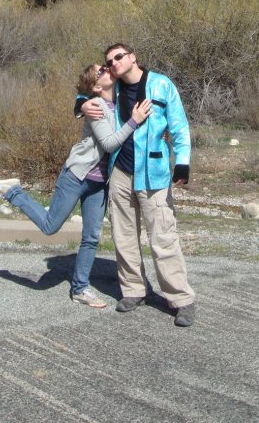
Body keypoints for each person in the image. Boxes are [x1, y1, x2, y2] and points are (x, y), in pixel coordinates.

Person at [0, 63, 151, 309]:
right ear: (96, 86)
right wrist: (134, 121)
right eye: (102, 70)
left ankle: (80, 289)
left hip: (99, 184)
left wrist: (81, 102)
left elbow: (135, 75)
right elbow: (108, 144)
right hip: (76, 176)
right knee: (50, 226)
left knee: (91, 237)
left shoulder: (116, 100)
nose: (108, 69)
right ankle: (12, 192)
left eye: (107, 66)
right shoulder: (96, 106)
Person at [80, 43, 196, 327]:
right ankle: (133, 290)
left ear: (132, 57)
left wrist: (182, 161)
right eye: (109, 61)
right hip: (120, 171)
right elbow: (86, 91)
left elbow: (179, 127)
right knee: (124, 235)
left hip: (154, 174)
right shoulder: (114, 86)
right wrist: (81, 103)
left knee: (163, 237)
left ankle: (181, 299)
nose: (114, 63)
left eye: (118, 57)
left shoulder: (161, 85)